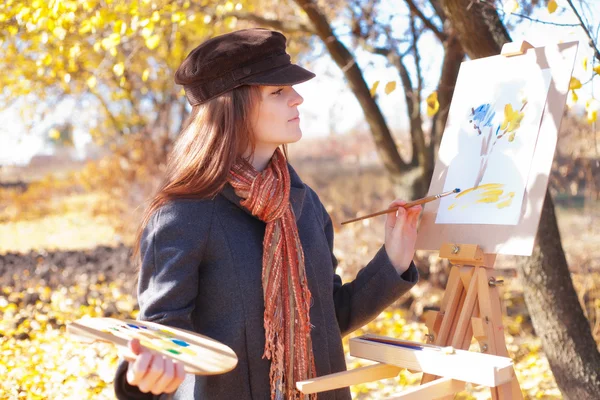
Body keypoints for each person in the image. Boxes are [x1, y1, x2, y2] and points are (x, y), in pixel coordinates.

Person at [113, 28, 422, 400]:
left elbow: (325, 319)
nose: (298, 98)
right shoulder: (182, 215)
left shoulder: (304, 205)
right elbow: (161, 342)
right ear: (233, 107)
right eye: (278, 92)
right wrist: (142, 378)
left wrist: (393, 260)